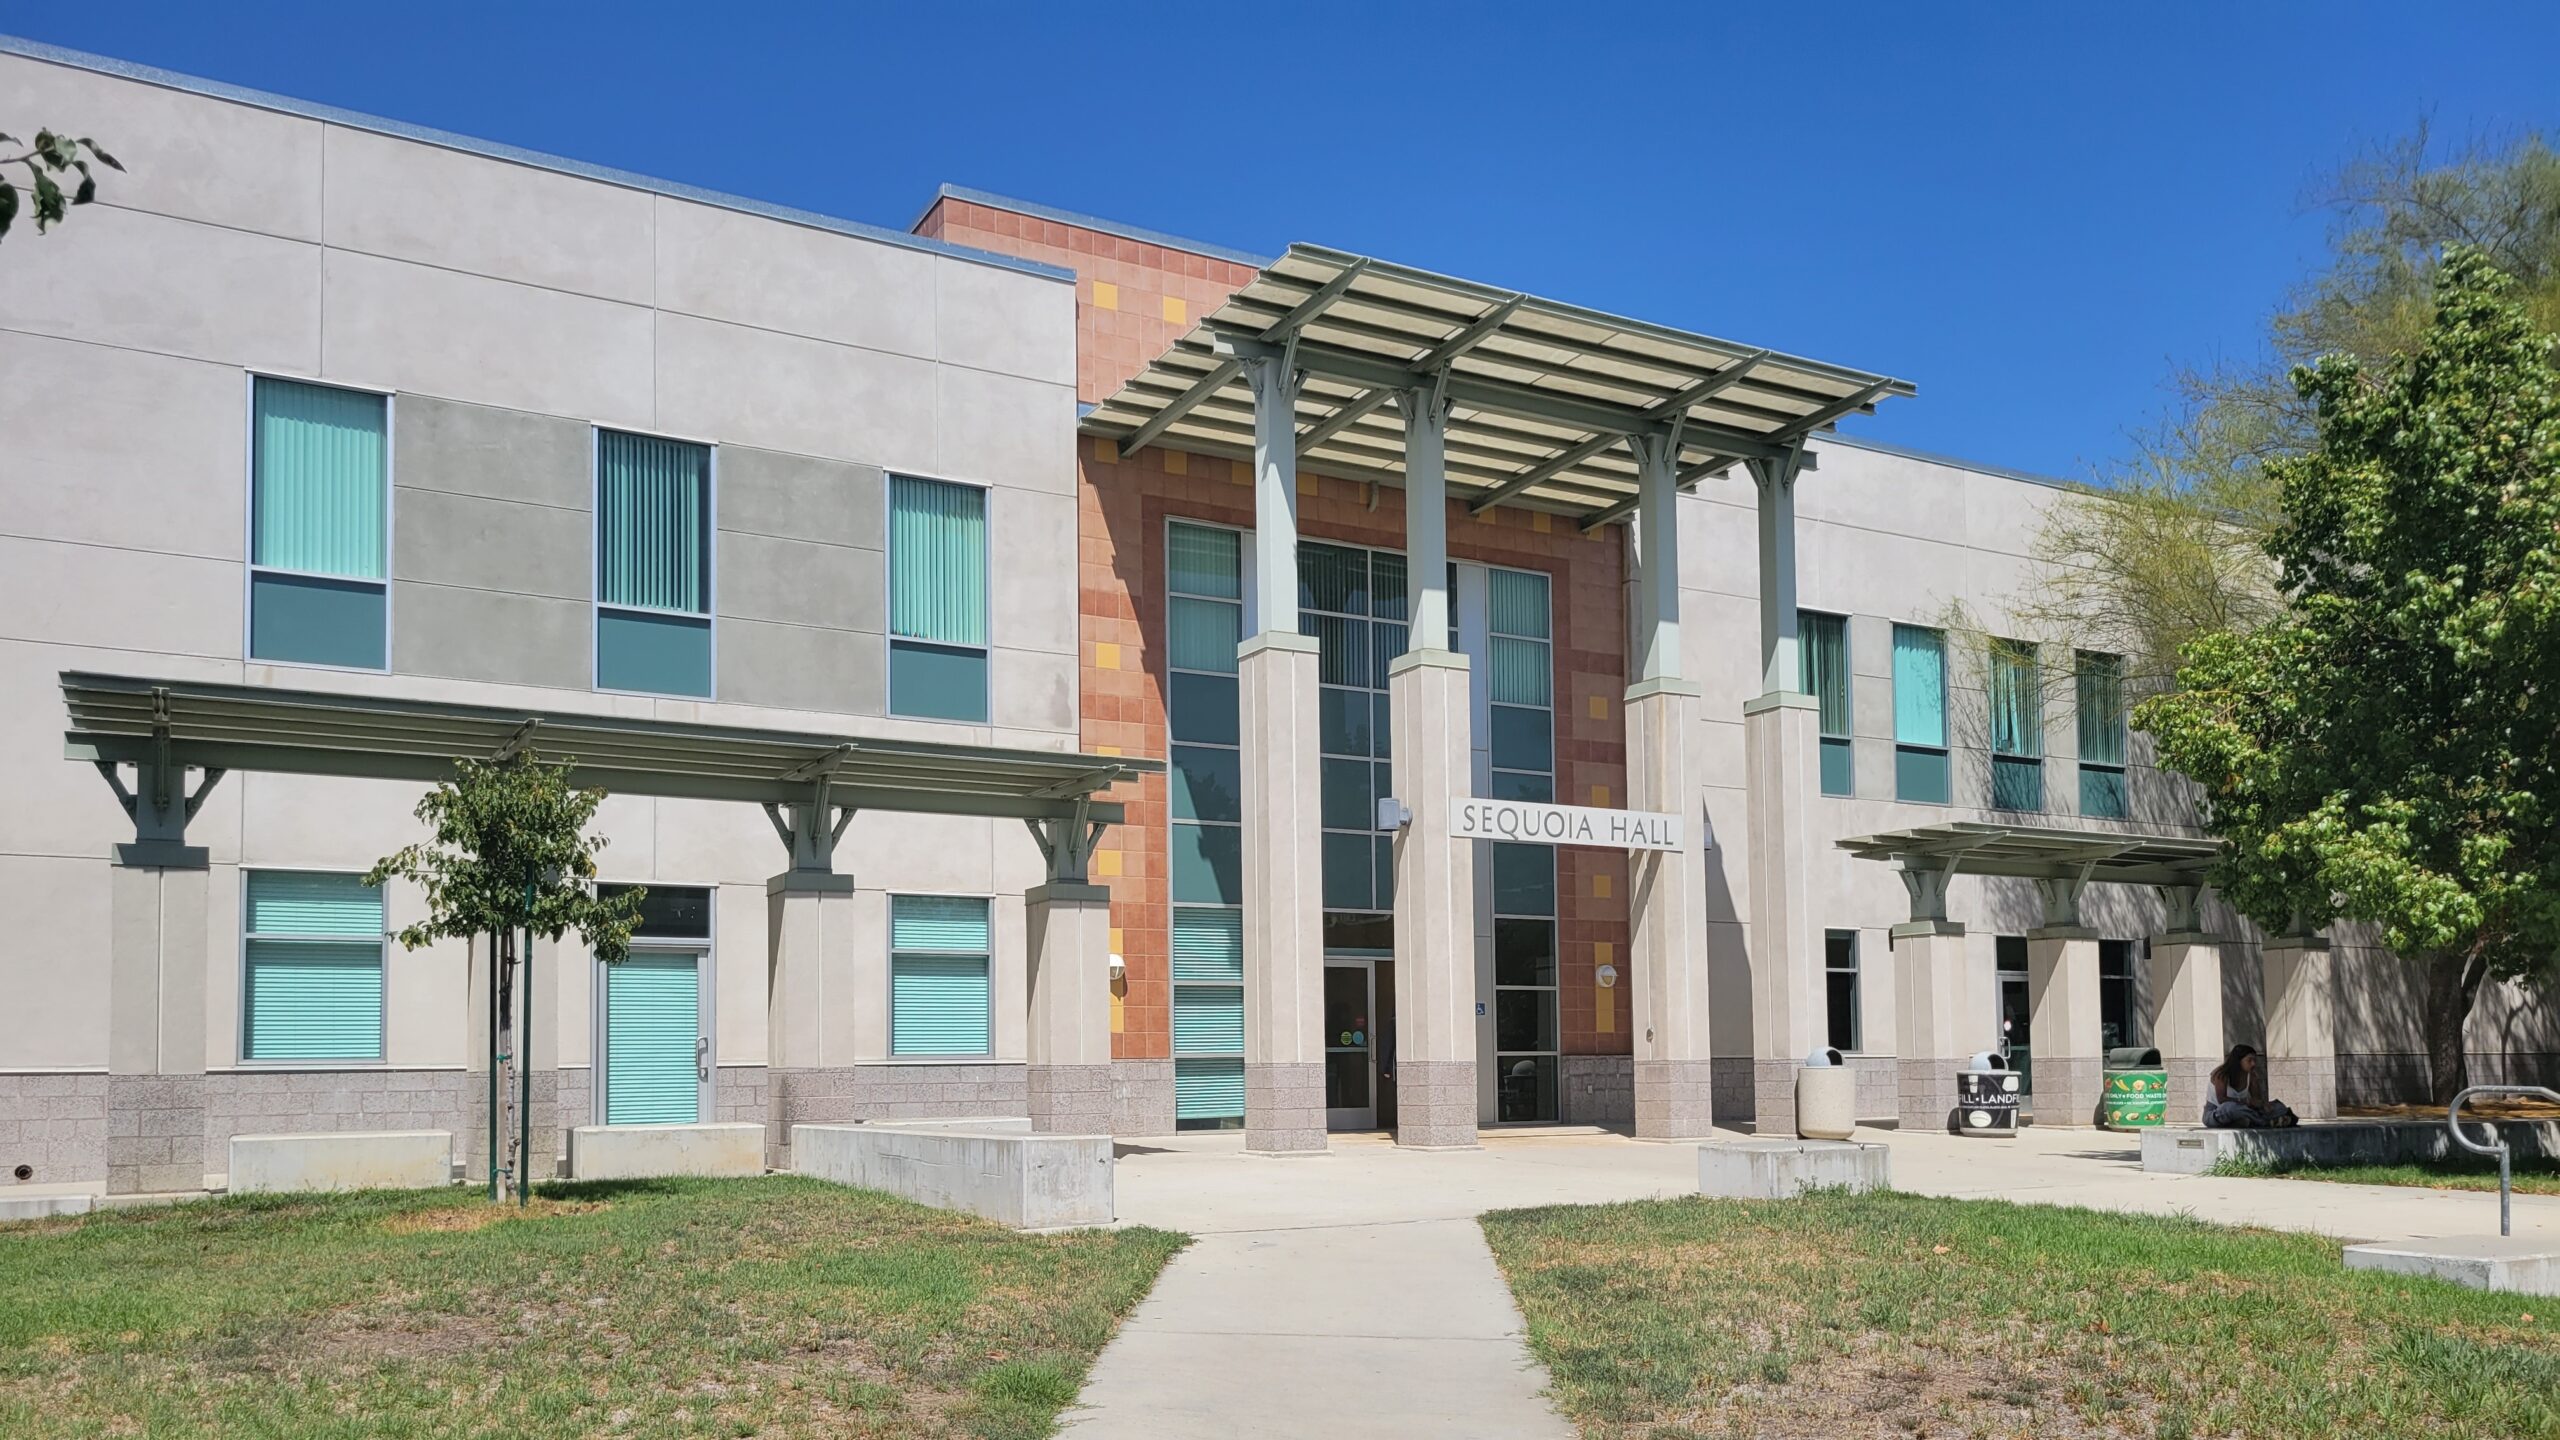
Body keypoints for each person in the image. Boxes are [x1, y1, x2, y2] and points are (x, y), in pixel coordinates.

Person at [2203, 1043, 2300, 1128]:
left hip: (2245, 1110)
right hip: (2217, 1113)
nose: (2253, 1063)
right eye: (2249, 1060)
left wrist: (2264, 1105)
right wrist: (2245, 1102)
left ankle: (2245, 1122)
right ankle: (2264, 1122)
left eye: (2254, 1060)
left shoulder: (2252, 1075)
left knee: (2279, 1107)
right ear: (2238, 1061)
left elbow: (2257, 1100)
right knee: (2231, 1108)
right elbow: (2221, 1100)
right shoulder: (2221, 1074)